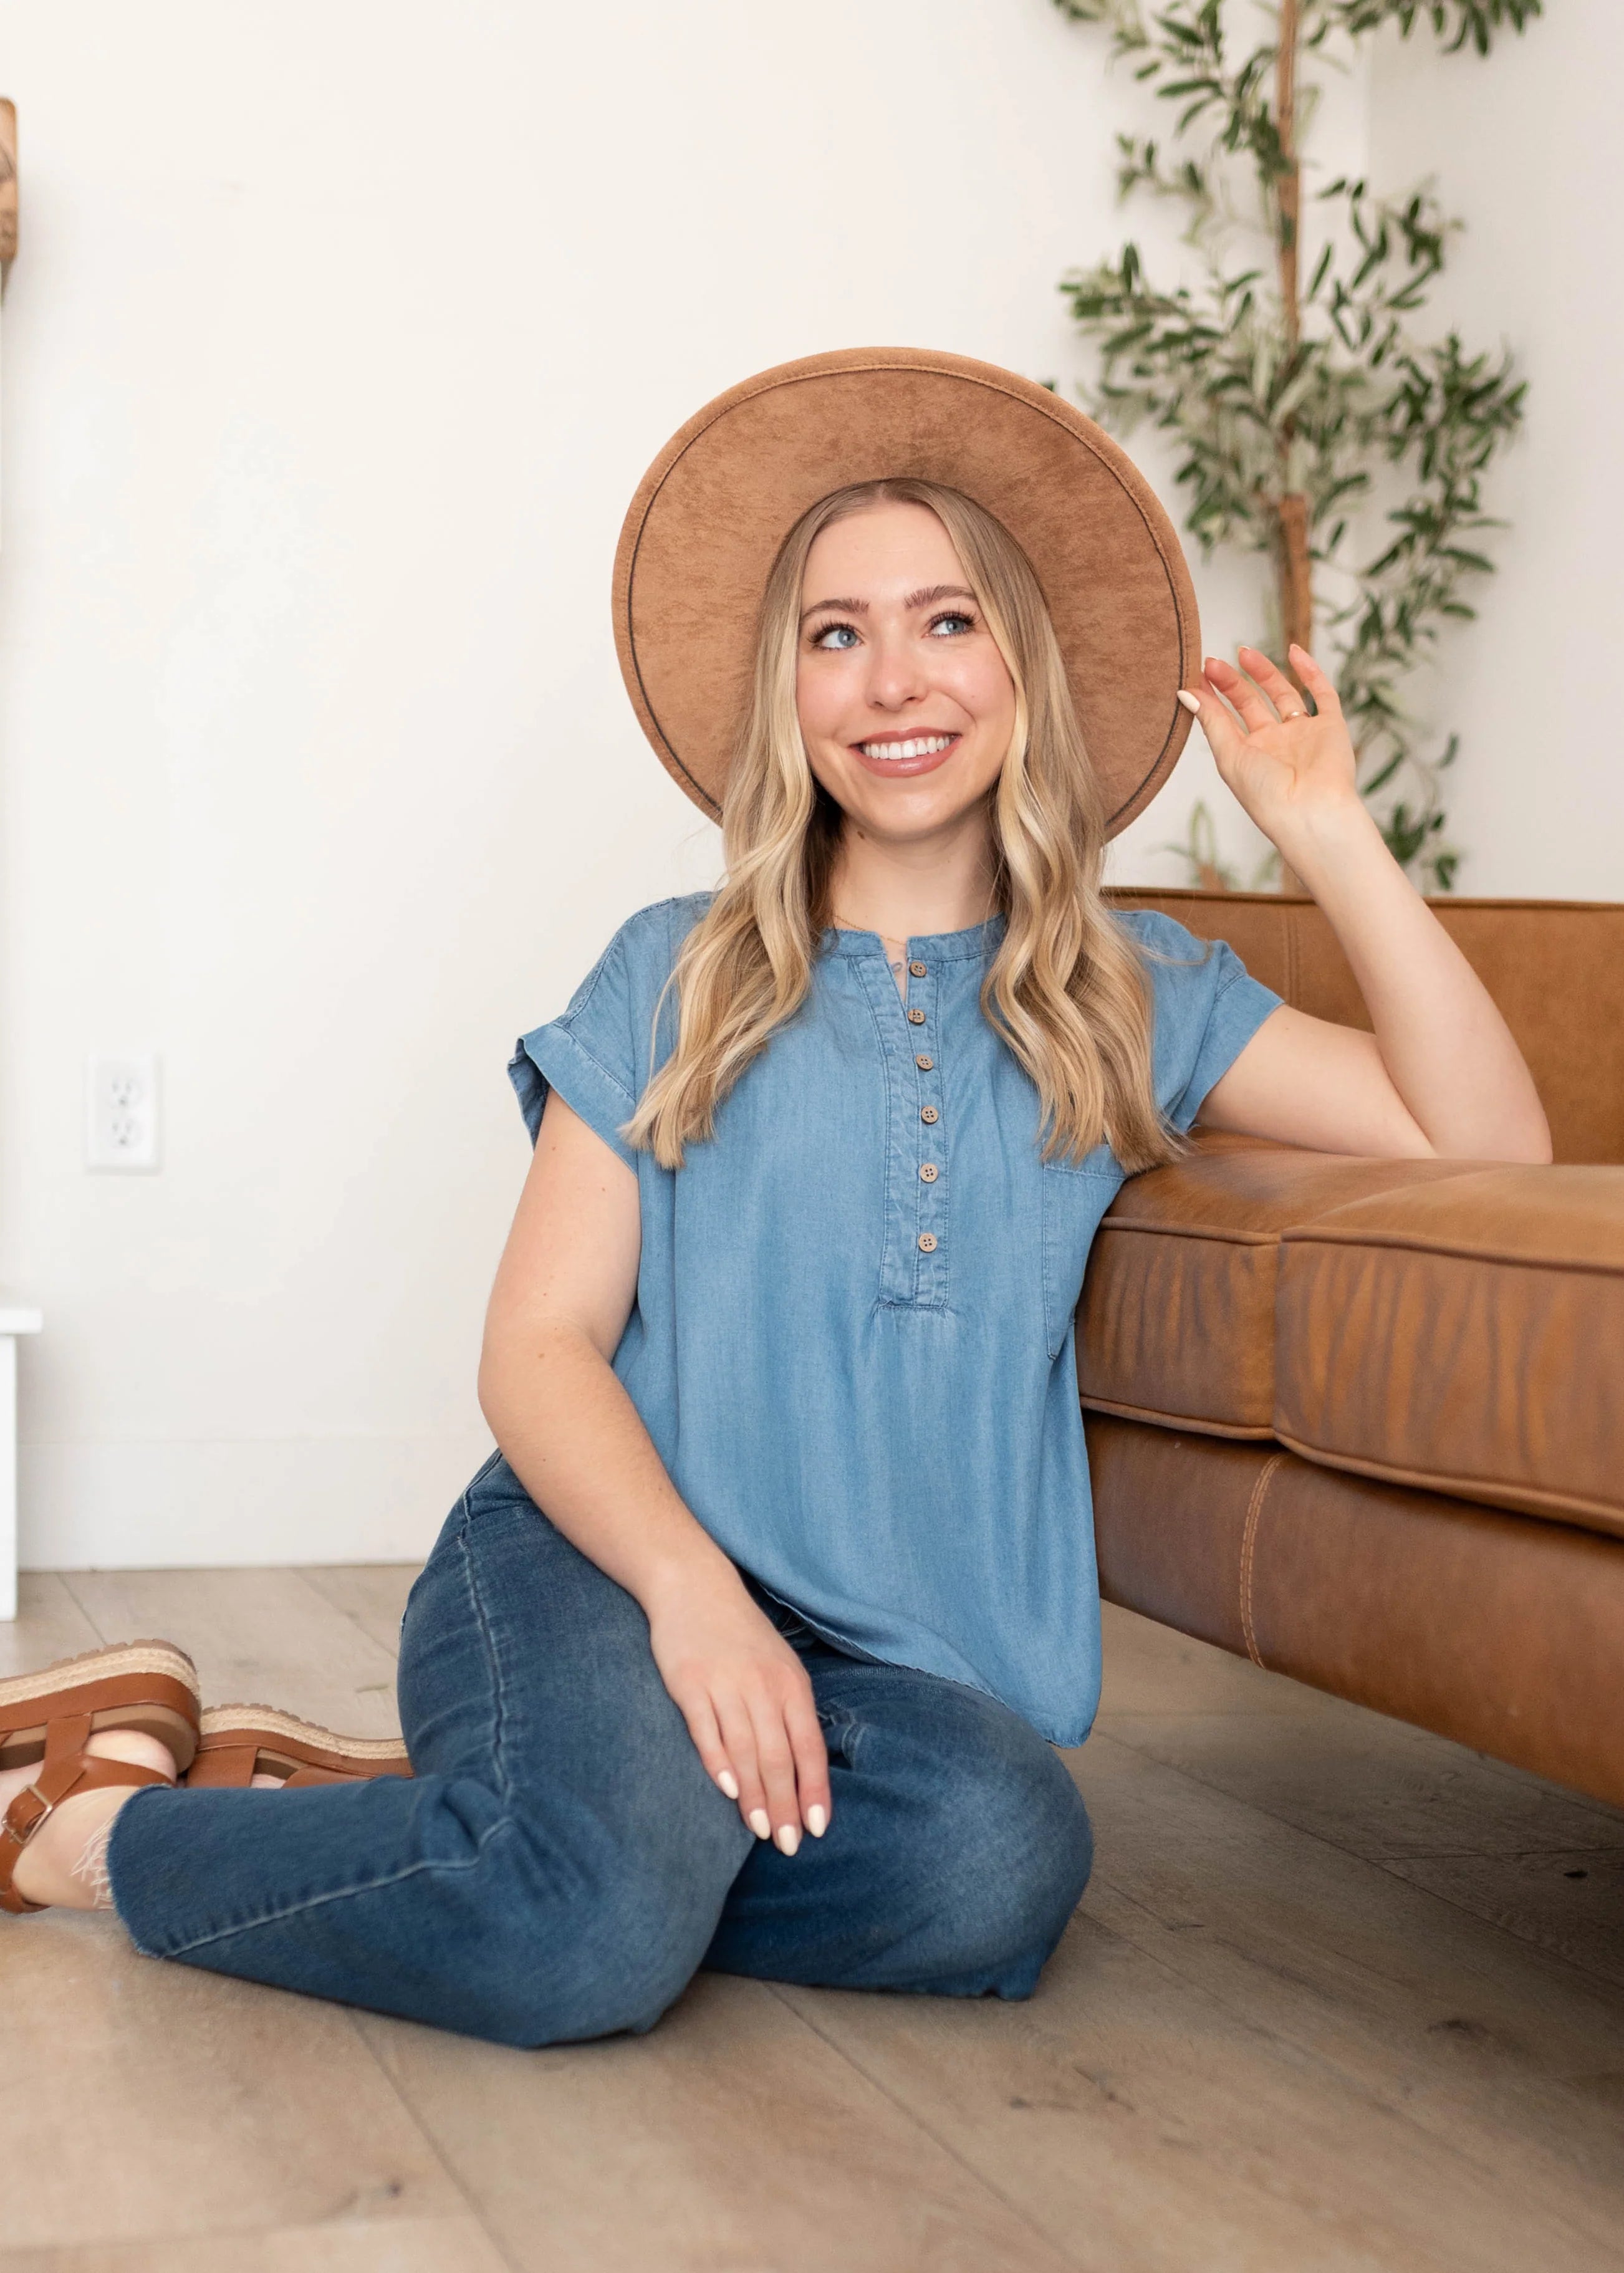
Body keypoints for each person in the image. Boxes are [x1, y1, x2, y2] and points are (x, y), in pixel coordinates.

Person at [0, 352, 1549, 2042]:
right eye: (835, 635)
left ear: (1021, 667)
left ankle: (517, 1822)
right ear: (787, 691)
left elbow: (1484, 1147)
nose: (894, 680)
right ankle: (102, 1834)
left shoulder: (1130, 992)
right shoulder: (676, 971)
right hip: (605, 1569)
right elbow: (536, 1349)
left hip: (885, 1683)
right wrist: (695, 1600)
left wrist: (1325, 827)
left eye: (948, 622)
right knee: (581, 1941)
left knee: (1000, 1860)